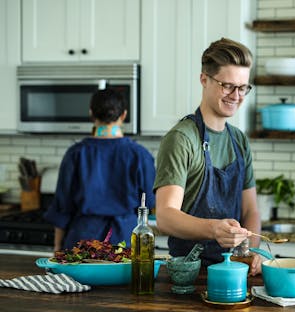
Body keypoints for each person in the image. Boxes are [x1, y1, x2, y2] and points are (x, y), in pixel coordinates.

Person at [153, 38, 262, 274]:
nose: (236, 95)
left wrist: (253, 250)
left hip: (234, 270)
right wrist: (214, 228)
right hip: (190, 275)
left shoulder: (239, 140)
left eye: (243, 87)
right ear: (204, 79)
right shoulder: (182, 138)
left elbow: (250, 210)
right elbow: (165, 216)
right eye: (227, 85)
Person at [44, 88, 156, 251]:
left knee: (77, 279)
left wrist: (57, 249)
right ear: (124, 115)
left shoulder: (76, 153)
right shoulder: (140, 155)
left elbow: (62, 208)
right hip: (125, 242)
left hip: (82, 242)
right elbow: (150, 203)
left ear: (91, 114)